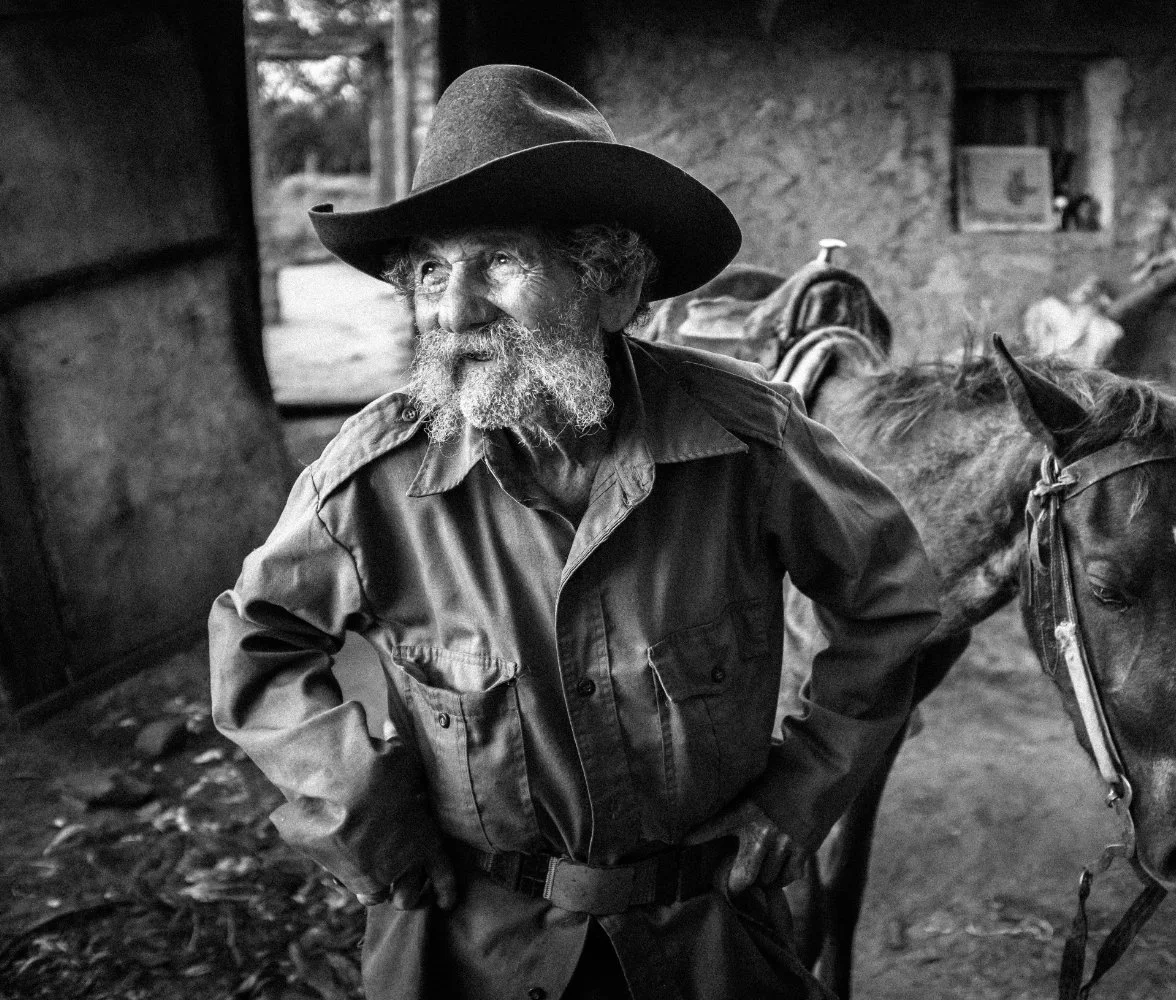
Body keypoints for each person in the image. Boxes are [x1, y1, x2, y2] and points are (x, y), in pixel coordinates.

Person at [210, 64, 940, 1000]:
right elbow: (258, 641)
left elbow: (890, 602)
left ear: (609, 285)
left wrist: (804, 793)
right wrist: (358, 811)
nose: (454, 310)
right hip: (466, 946)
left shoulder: (745, 442)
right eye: (432, 269)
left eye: (500, 263)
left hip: (705, 936)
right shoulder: (374, 479)